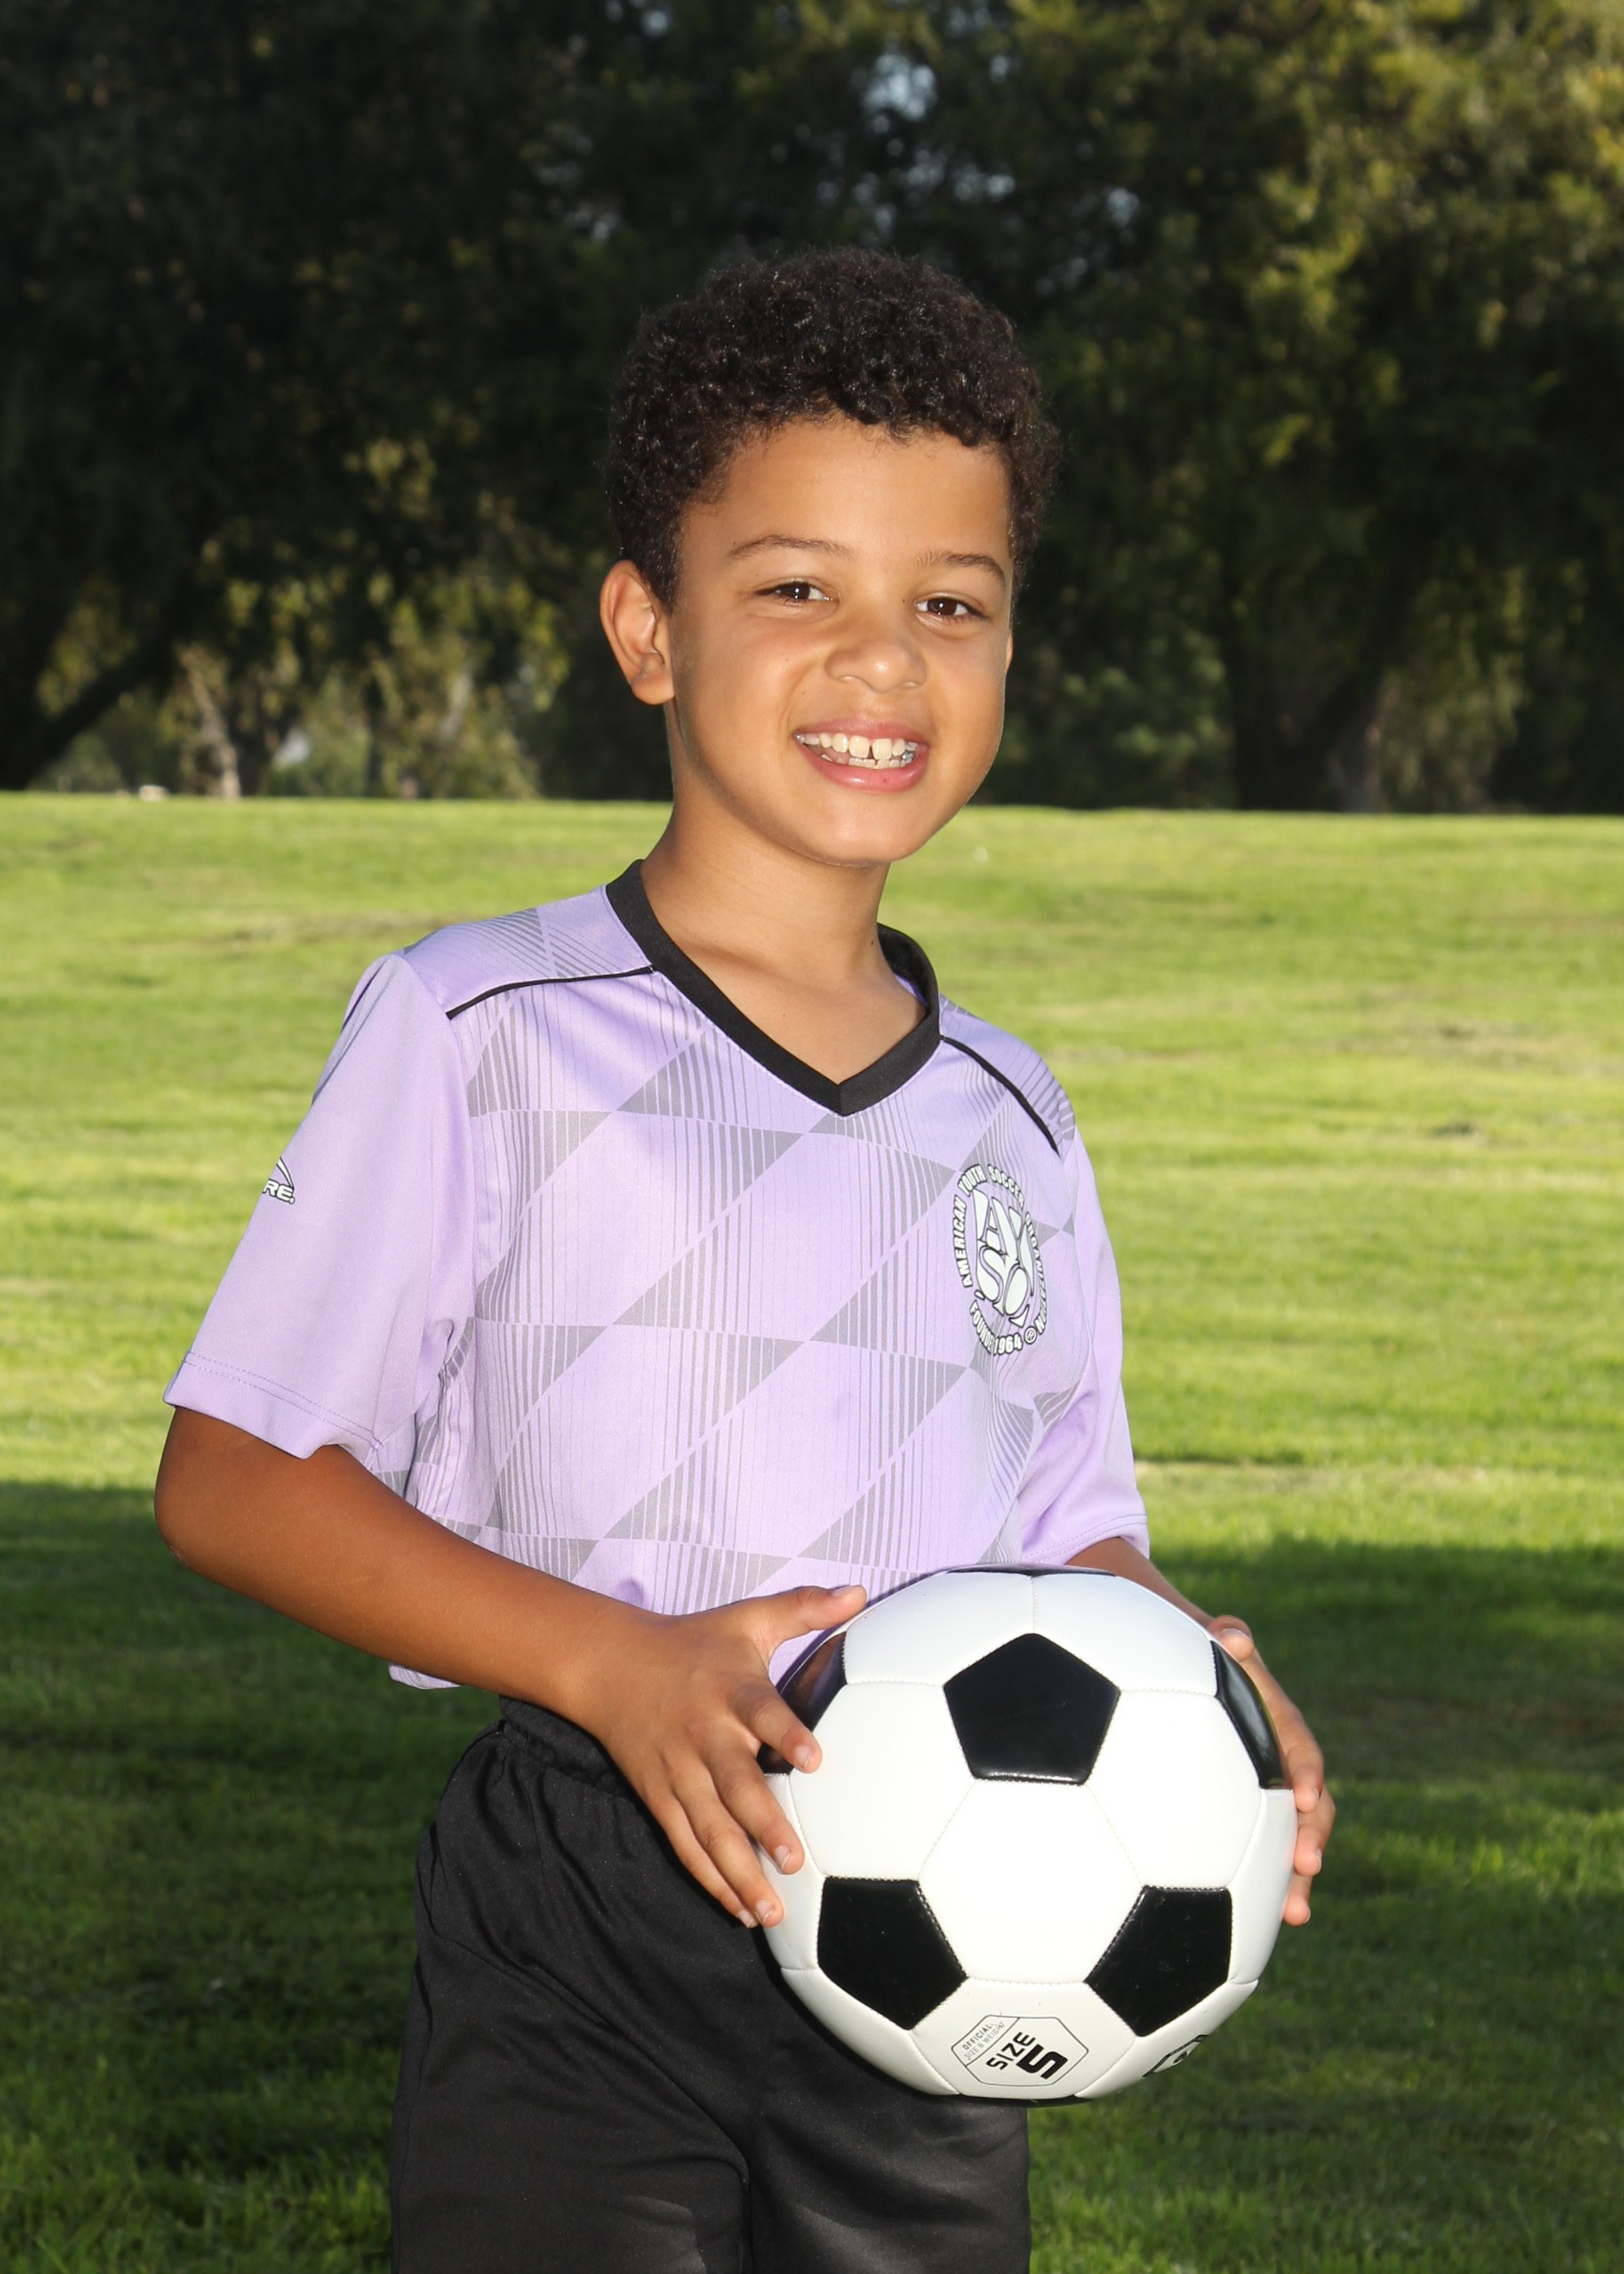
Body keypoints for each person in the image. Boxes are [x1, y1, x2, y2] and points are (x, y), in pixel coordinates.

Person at [154, 249, 1335, 2274]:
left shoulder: (1013, 1111)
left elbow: (1070, 1525)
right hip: (585, 1913)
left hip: (950, 1937)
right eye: (798, 587)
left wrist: (1199, 1682)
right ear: (648, 627)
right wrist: (616, 1664)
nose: (882, 662)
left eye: (949, 604)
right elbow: (233, 1476)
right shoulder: (480, 1028)